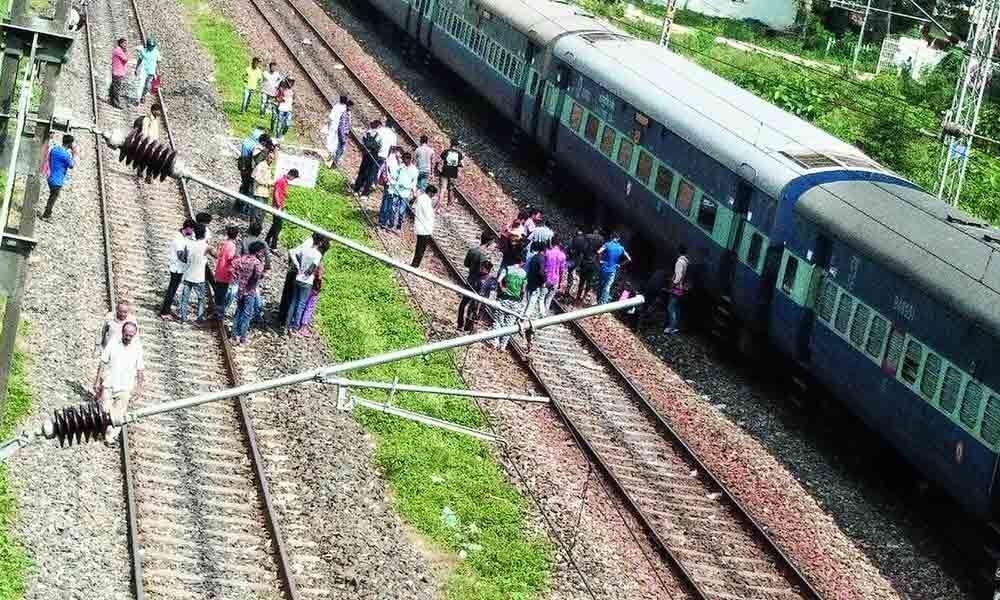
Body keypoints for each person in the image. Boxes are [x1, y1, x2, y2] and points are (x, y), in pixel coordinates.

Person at [93, 322, 144, 445]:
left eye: (131, 335)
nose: (128, 337)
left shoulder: (137, 348)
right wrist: (97, 381)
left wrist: (139, 387)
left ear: (134, 335)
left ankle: (110, 437)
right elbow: (103, 362)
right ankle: (103, 429)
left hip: (125, 386)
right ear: (122, 332)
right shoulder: (113, 343)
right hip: (109, 383)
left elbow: (140, 369)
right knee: (106, 410)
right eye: (126, 335)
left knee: (119, 414)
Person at [277, 233, 322, 323]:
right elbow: (292, 252)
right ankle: (292, 324)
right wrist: (298, 267)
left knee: (293, 300)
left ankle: (285, 322)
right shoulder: (310, 245)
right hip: (301, 277)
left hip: (298, 275)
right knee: (299, 303)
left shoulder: (309, 244)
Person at [286, 238, 326, 334]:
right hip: (307, 282)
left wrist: (298, 266)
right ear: (320, 242)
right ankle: (295, 326)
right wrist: (306, 274)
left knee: (293, 302)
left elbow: (293, 253)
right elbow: (312, 268)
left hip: (297, 278)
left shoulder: (305, 250)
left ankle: (287, 324)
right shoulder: (318, 254)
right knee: (301, 304)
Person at [456, 232, 495, 331]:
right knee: (474, 305)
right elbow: (486, 272)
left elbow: (466, 264)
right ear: (489, 243)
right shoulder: (485, 257)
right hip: (480, 283)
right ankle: (468, 327)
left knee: (464, 303)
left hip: (470, 279)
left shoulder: (472, 251)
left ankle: (460, 324)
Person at [230, 241, 267, 344]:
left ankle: (234, 335)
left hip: (240, 290)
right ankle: (242, 337)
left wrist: (237, 277)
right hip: (250, 291)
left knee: (238, 312)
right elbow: (258, 275)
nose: (262, 254)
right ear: (258, 251)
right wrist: (263, 274)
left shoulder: (242, 259)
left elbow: (232, 266)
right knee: (247, 314)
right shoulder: (257, 262)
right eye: (262, 252)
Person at [179, 223, 215, 323]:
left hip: (188, 275)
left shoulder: (189, 244)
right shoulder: (207, 247)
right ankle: (199, 317)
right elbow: (217, 255)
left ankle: (183, 316)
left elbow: (183, 258)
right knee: (201, 298)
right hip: (199, 277)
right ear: (204, 234)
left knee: (185, 298)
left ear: (194, 233)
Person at [160, 219, 195, 319]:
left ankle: (166, 310)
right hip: (176, 268)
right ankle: (164, 312)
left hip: (179, 268)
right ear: (188, 227)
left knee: (173, 289)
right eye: (192, 229)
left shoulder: (183, 237)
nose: (192, 232)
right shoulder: (178, 238)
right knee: (171, 290)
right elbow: (181, 256)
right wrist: (191, 261)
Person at [493, 259, 526, 351]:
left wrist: (502, 289)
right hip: (515, 301)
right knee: (510, 324)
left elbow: (499, 280)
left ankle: (495, 342)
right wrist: (520, 298)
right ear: (521, 262)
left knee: (498, 321)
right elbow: (523, 290)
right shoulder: (524, 273)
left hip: (503, 298)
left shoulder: (507, 269)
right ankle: (503, 346)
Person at [42, 134, 76, 220]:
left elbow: (49, 160)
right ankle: (46, 215)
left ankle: (47, 213)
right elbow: (71, 165)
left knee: (51, 196)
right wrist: (74, 154)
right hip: (57, 181)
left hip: (50, 177)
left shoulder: (54, 149)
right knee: (52, 198)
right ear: (70, 144)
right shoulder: (66, 155)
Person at [265, 168, 298, 250]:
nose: (293, 179)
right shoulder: (281, 181)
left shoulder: (285, 181)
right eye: (294, 177)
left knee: (275, 225)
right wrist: (279, 205)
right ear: (291, 175)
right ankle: (273, 245)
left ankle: (267, 240)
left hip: (279, 207)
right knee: (278, 226)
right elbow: (276, 193)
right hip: (277, 207)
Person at [596, 233, 632, 304]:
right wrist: (620, 265)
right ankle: (602, 303)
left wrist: (600, 260)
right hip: (613, 270)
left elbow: (598, 252)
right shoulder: (621, 248)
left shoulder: (607, 244)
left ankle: (598, 300)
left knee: (601, 284)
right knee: (607, 286)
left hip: (604, 267)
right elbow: (629, 259)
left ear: (611, 237)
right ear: (618, 239)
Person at [214, 226, 240, 319]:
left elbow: (217, 254)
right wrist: (237, 258)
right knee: (223, 292)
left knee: (218, 291)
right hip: (226, 272)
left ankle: (216, 308)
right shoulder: (232, 245)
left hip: (219, 269)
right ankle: (219, 312)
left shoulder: (223, 243)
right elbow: (230, 258)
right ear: (236, 235)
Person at [132, 103, 162, 183]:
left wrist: (156, 143)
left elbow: (155, 134)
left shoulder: (155, 120)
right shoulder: (147, 119)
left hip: (152, 144)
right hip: (147, 144)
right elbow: (144, 132)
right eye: (158, 111)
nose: (159, 113)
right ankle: (143, 173)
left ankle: (147, 175)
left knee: (151, 160)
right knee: (147, 159)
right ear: (153, 110)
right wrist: (146, 143)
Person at [665, 246, 691, 334]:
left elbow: (678, 275)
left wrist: (673, 284)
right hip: (681, 288)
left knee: (670, 307)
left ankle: (671, 327)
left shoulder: (679, 262)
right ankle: (676, 327)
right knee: (677, 307)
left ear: (678, 251)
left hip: (677, 288)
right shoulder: (686, 262)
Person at [574, 227, 604, 304]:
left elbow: (583, 250)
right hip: (593, 263)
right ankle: (583, 298)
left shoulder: (587, 236)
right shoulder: (601, 239)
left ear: (594, 231)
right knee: (589, 282)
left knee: (582, 280)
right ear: (599, 232)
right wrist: (599, 262)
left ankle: (578, 297)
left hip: (585, 261)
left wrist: (579, 263)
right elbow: (599, 253)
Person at [391, 151, 419, 232]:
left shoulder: (414, 170)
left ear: (410, 160)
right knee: (393, 208)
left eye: (406, 160)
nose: (405, 162)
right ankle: (391, 224)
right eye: (403, 160)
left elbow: (414, 182)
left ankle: (399, 226)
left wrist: (414, 192)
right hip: (397, 190)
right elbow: (395, 175)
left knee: (401, 211)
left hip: (405, 193)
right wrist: (393, 182)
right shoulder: (401, 166)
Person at [411, 184, 437, 268]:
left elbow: (414, 206)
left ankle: (415, 264)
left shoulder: (421, 198)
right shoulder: (426, 200)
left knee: (419, 247)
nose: (433, 196)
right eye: (433, 194)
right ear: (430, 192)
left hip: (420, 226)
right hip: (424, 228)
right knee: (421, 249)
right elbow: (428, 214)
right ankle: (415, 265)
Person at [353, 120, 382, 197]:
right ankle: (364, 193)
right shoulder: (379, 134)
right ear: (379, 126)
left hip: (366, 154)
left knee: (362, 172)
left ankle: (356, 189)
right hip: (374, 155)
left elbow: (362, 143)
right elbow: (379, 145)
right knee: (370, 174)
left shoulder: (367, 132)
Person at [541, 236, 566, 317]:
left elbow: (543, 266)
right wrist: (560, 282)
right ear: (559, 244)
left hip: (546, 278)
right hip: (555, 279)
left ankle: (540, 315)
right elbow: (562, 271)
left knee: (541, 297)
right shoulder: (562, 255)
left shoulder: (547, 252)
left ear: (551, 242)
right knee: (549, 298)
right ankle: (544, 315)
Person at [297, 263, 323, 337]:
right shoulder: (319, 266)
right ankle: (303, 327)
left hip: (306, 286)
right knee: (309, 308)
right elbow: (319, 278)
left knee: (301, 304)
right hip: (314, 289)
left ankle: (296, 322)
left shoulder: (310, 263)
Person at [523, 242, 548, 317]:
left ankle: (541, 313)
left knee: (531, 298)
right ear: (544, 250)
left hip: (531, 280)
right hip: (537, 283)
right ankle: (527, 315)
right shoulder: (542, 259)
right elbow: (541, 272)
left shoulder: (534, 257)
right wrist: (544, 280)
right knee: (533, 299)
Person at [251, 150, 276, 227]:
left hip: (266, 193)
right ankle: (253, 229)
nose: (271, 160)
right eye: (270, 157)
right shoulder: (261, 165)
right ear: (266, 157)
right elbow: (256, 178)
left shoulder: (270, 167)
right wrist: (267, 182)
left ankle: (258, 229)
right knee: (257, 213)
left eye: (273, 158)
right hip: (259, 192)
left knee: (262, 213)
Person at [324, 96, 349, 168]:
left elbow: (331, 117)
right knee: (336, 143)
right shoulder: (346, 109)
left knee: (330, 140)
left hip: (334, 126)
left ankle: (330, 154)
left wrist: (328, 125)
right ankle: (333, 156)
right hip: (341, 129)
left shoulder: (336, 106)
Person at [134, 36, 160, 105]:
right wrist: (136, 68)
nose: (151, 48)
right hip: (143, 71)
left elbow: (158, 62)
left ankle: (143, 96)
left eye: (152, 46)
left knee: (147, 86)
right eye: (150, 46)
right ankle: (138, 99)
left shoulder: (156, 52)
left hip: (151, 72)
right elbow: (139, 60)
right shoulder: (143, 51)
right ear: (147, 46)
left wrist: (156, 72)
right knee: (140, 85)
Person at [438, 138, 463, 205]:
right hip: (453, 173)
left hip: (445, 172)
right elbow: (461, 165)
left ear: (450, 144)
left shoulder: (446, 151)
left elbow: (441, 160)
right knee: (451, 189)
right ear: (457, 146)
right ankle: (449, 203)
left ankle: (439, 203)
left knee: (443, 189)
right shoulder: (459, 154)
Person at [109, 37, 129, 109]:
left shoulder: (115, 49)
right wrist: (125, 52)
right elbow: (125, 59)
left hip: (115, 70)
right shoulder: (119, 51)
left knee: (114, 86)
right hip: (118, 72)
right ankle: (116, 103)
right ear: (121, 44)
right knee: (117, 88)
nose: (126, 45)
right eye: (124, 43)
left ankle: (111, 100)